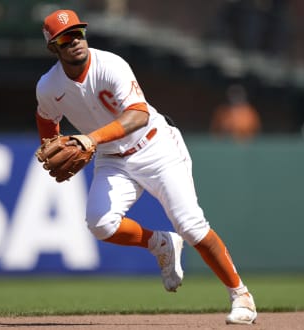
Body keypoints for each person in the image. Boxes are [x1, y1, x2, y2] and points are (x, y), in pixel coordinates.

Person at [35, 9, 257, 325]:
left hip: (156, 146)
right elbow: (46, 116)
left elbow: (138, 115)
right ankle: (159, 243)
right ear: (53, 47)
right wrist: (50, 143)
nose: (75, 41)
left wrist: (90, 139)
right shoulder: (48, 86)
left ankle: (241, 296)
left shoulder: (110, 64)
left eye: (78, 33)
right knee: (100, 224)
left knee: (191, 225)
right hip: (112, 158)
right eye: (65, 38)